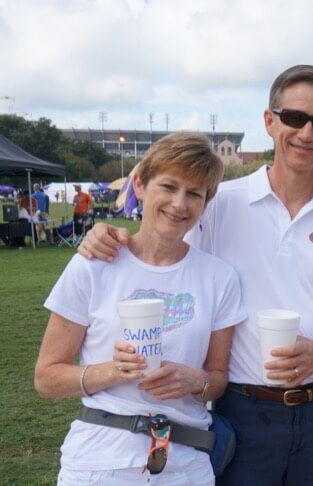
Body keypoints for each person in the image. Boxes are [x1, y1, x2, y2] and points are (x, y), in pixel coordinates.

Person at [77, 64, 313, 486]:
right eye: (294, 117)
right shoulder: (221, 204)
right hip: (242, 409)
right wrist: (108, 234)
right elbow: (163, 246)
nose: (306, 132)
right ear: (269, 121)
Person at [35, 132, 246, 484]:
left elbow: (217, 379)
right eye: (169, 186)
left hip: (186, 465)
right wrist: (113, 371)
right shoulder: (93, 265)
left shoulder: (219, 278)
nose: (179, 204)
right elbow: (46, 378)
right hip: (100, 462)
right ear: (140, 185)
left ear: (205, 203)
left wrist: (196, 382)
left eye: (194, 193)